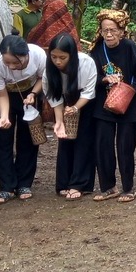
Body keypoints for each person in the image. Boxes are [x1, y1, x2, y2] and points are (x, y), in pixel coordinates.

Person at [90, 10, 136, 203]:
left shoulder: (129, 47)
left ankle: (128, 188)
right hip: (104, 106)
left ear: (122, 31)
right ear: (100, 31)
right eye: (105, 30)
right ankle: (108, 187)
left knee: (125, 147)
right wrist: (104, 80)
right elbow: (89, 77)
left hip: (129, 107)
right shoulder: (97, 50)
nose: (108, 34)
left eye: (113, 30)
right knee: (103, 146)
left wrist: (129, 90)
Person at [0, 34, 46, 204]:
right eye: (8, 63)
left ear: (26, 54)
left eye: (16, 62)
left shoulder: (38, 55)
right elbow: (1, 95)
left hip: (31, 94)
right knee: (2, 140)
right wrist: (4, 116)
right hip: (5, 97)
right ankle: (6, 187)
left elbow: (43, 77)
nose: (12, 67)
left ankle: (24, 183)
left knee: (27, 138)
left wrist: (33, 94)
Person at [45, 33, 97, 200]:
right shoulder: (49, 71)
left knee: (84, 141)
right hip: (64, 102)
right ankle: (63, 183)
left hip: (85, 102)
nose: (58, 62)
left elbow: (89, 91)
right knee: (65, 139)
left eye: (62, 57)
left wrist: (75, 108)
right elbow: (54, 97)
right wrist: (59, 121)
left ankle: (79, 184)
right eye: (54, 57)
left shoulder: (86, 63)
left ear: (72, 55)